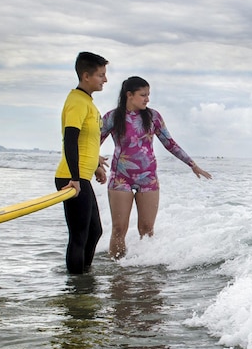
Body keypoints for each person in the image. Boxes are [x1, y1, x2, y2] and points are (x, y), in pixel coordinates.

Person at [100, 76, 211, 258]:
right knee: (119, 229)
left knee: (147, 229)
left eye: (148, 95)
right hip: (120, 178)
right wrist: (95, 161)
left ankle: (146, 273)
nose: (147, 99)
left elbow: (170, 143)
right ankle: (117, 275)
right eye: (143, 95)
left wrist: (192, 164)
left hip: (148, 179)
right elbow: (93, 141)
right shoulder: (112, 117)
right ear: (129, 95)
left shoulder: (153, 117)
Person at [54, 52, 110, 274]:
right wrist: (75, 179)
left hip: (81, 175)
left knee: (94, 231)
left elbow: (87, 140)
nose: (105, 80)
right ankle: (76, 286)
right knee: (79, 235)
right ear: (86, 76)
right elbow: (70, 139)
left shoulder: (87, 102)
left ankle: (83, 276)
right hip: (71, 177)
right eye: (101, 75)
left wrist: (95, 163)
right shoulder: (77, 102)